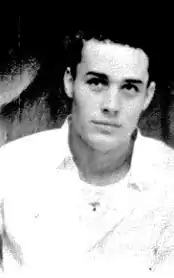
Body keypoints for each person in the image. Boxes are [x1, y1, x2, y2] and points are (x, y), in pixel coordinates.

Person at [0, 28, 174, 277]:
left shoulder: (169, 180)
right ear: (69, 82)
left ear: (148, 96)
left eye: (130, 88)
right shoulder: (12, 164)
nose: (111, 106)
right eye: (96, 83)